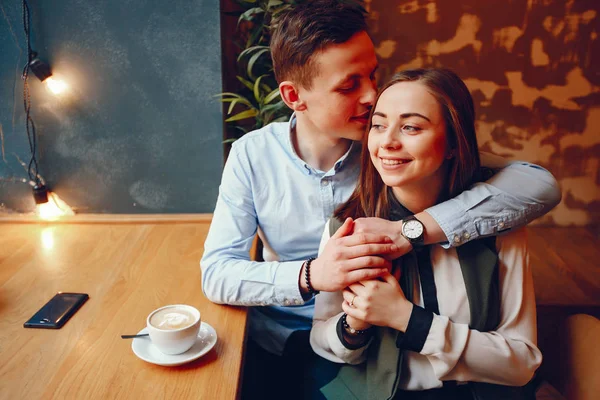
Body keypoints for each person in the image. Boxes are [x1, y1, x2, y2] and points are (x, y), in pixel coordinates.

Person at [201, 1, 558, 398]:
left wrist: (411, 231)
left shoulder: (397, 154)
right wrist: (314, 275)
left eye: (373, 75)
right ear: (293, 96)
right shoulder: (253, 155)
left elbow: (534, 184)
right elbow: (217, 273)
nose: (374, 95)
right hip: (287, 337)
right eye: (349, 85)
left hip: (390, 348)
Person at [310, 68, 543, 400]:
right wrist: (354, 325)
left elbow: (521, 363)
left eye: (411, 127)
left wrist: (406, 318)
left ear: (453, 143)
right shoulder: (346, 226)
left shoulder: (500, 228)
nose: (387, 142)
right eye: (378, 125)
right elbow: (321, 340)